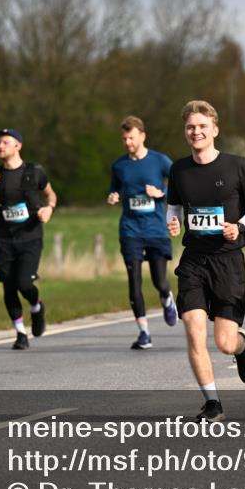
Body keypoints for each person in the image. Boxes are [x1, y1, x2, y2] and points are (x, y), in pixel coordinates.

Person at [166, 100, 245, 423]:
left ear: (215, 130)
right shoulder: (179, 169)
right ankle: (212, 402)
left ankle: (240, 347)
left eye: (202, 127)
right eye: (190, 127)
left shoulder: (236, 165)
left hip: (227, 260)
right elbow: (173, 206)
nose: (196, 132)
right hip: (194, 259)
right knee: (194, 330)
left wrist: (240, 226)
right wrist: (173, 222)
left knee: (224, 342)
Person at [0, 128, 57, 350]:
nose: (0, 146)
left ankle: (36, 306)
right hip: (4, 240)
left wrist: (49, 208)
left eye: (5, 142)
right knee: (9, 287)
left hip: (30, 237)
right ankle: (20, 333)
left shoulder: (35, 172)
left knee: (23, 282)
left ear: (17, 146)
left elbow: (50, 194)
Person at [107, 116, 178, 350]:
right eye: (124, 139)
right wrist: (113, 196)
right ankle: (144, 333)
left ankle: (167, 298)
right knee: (134, 283)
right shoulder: (119, 166)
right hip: (130, 229)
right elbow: (114, 190)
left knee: (159, 281)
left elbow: (180, 183)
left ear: (142, 136)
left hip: (156, 229)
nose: (127, 142)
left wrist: (161, 192)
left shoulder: (159, 161)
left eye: (131, 138)